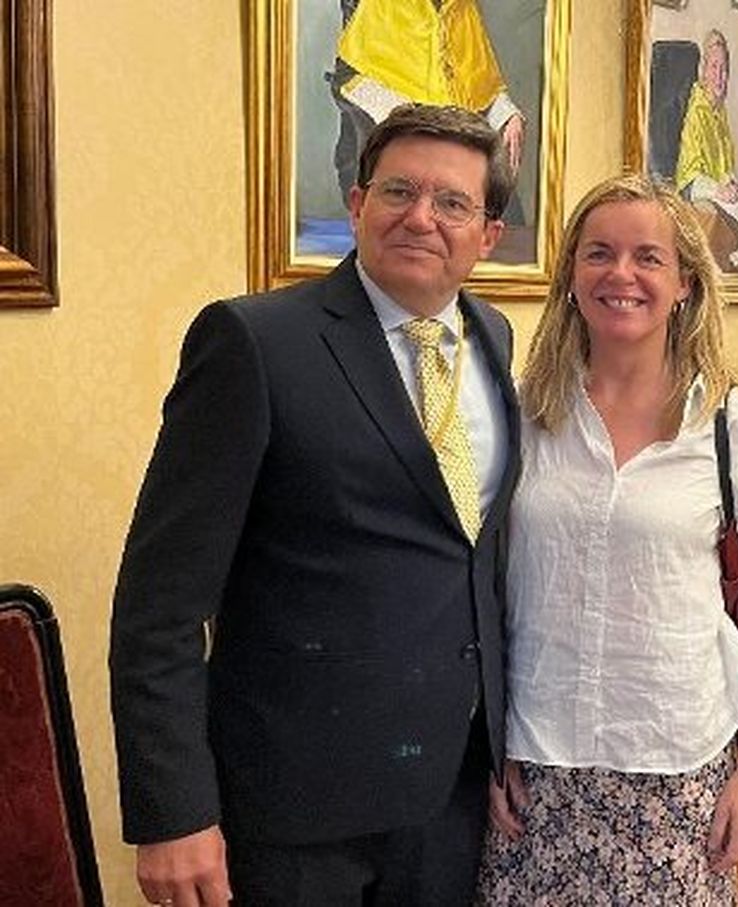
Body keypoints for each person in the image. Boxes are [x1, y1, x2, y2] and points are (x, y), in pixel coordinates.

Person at [109, 104, 519, 907]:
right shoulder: (255, 342)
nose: (421, 217)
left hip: (448, 791)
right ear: (358, 203)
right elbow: (159, 603)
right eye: (398, 190)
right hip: (294, 806)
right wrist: (174, 811)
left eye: (452, 202)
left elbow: (473, 556)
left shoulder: (494, 337)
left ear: (488, 235)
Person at [477, 173, 738, 905]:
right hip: (537, 771)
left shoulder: (734, 423)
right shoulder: (524, 414)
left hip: (676, 767)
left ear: (685, 282)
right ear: (571, 275)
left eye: (648, 257)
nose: (621, 274)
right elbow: (491, 590)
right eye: (599, 253)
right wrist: (493, 744)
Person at [331, 0, 527, 197]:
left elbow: (479, 78)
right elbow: (350, 75)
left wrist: (507, 113)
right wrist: (403, 115)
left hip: (459, 142)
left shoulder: (462, 5)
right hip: (403, 139)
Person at [674, 30, 738, 206]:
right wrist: (717, 190)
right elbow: (686, 182)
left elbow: (725, 165)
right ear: (702, 70)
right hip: (695, 204)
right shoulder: (695, 111)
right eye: (714, 66)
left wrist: (731, 182)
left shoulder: (719, 110)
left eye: (724, 69)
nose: (719, 76)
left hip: (719, 201)